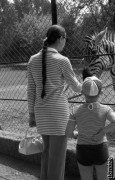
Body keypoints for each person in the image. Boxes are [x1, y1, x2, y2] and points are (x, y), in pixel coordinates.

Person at [27, 24, 82, 180]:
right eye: (65, 39)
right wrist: (91, 84)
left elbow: (31, 91)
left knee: (47, 152)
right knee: (57, 158)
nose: (65, 43)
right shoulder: (62, 60)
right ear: (60, 38)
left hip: (41, 114)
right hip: (58, 115)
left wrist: (31, 114)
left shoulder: (32, 60)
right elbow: (76, 87)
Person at [66, 76, 115, 180]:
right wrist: (103, 132)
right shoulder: (105, 109)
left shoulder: (75, 110)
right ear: (101, 93)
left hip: (83, 149)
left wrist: (77, 134)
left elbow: (68, 132)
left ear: (82, 93)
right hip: (100, 148)